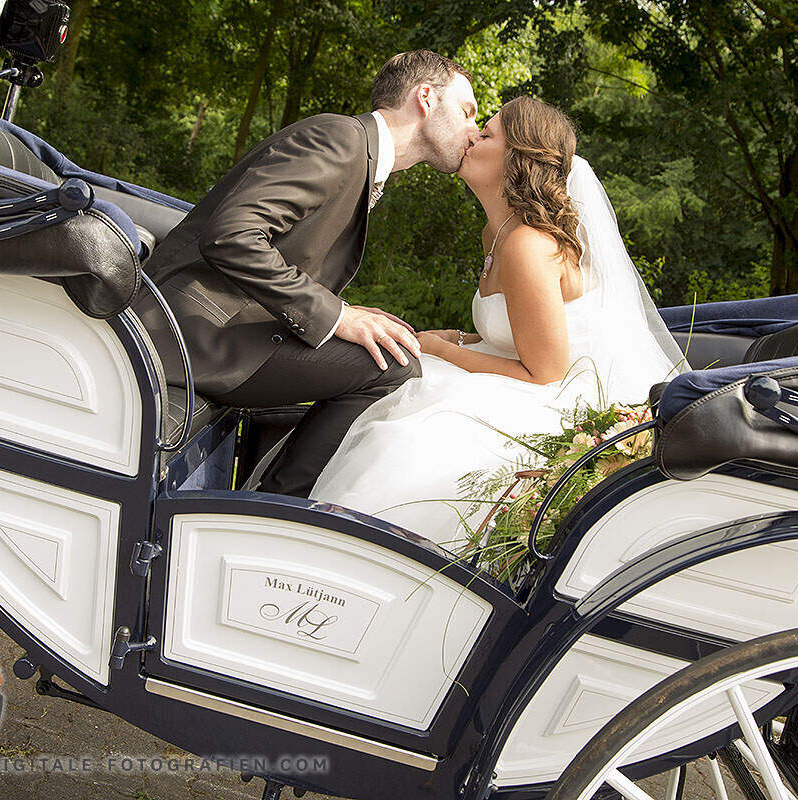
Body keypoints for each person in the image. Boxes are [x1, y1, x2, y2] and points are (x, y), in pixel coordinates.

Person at [309, 96, 687, 548]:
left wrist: (442, 349)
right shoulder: (496, 232)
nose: (470, 136)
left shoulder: (527, 244)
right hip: (535, 376)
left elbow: (545, 372)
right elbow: (516, 332)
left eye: (486, 134)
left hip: (560, 397)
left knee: (409, 438)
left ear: (517, 159)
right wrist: (461, 337)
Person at [135, 51, 479, 497]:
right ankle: (275, 508)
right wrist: (337, 316)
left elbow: (285, 255)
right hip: (191, 331)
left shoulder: (360, 155)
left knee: (392, 346)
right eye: (467, 111)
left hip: (231, 330)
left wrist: (345, 312)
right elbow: (232, 235)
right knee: (393, 366)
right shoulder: (340, 139)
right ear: (426, 98)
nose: (474, 130)